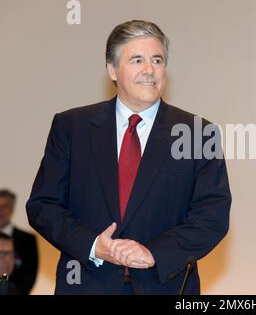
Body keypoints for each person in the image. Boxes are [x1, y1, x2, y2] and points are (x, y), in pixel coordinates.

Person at [26, 20, 231, 294]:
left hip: (165, 285)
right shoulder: (72, 127)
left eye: (157, 60)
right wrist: (93, 246)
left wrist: (154, 253)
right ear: (112, 70)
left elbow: (212, 215)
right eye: (137, 60)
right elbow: (43, 205)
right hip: (87, 285)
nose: (149, 70)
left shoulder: (198, 133)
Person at [0, 189, 38, 294]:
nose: (0, 211)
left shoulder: (27, 240)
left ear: (12, 209)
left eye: (4, 207)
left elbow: (29, 275)